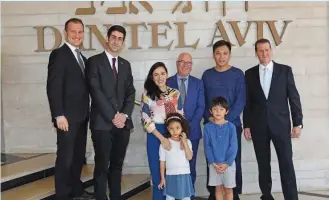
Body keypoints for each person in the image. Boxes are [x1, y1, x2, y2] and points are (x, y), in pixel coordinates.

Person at [243, 38, 303, 200]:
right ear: (256, 53)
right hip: (258, 126)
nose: (264, 53)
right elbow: (247, 102)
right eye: (260, 51)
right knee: (263, 164)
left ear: (271, 50)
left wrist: (298, 123)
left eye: (267, 50)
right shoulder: (249, 74)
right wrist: (246, 125)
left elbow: (294, 98)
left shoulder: (285, 71)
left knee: (286, 164)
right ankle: (267, 195)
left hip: (281, 125)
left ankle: (291, 197)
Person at [86, 25, 136, 200]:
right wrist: (113, 116)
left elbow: (131, 92)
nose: (116, 41)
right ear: (107, 38)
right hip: (102, 124)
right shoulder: (94, 62)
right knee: (102, 166)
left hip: (122, 125)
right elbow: (95, 91)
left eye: (120, 38)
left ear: (123, 42)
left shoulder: (125, 64)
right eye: (113, 37)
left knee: (117, 166)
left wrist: (124, 115)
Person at [46, 18, 92, 200]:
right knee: (65, 158)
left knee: (78, 156)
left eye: (80, 32)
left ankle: (76, 190)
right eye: (73, 32)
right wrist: (58, 115)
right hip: (66, 118)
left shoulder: (83, 58)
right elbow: (53, 86)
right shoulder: (59, 54)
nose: (77, 35)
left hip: (82, 116)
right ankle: (63, 195)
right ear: (66, 32)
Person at [202, 40, 245, 200]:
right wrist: (211, 119)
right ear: (213, 55)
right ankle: (214, 193)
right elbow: (204, 100)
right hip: (211, 126)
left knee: (233, 159)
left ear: (229, 55)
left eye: (225, 53)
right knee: (212, 158)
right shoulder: (207, 75)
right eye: (218, 53)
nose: (221, 57)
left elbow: (240, 101)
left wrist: (225, 119)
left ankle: (233, 194)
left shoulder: (238, 74)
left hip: (231, 125)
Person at [141, 62, 183, 200]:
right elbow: (145, 118)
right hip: (155, 136)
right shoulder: (148, 94)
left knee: (173, 173)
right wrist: (161, 138)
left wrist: (181, 137)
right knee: (158, 175)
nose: (160, 77)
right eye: (156, 74)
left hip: (173, 135)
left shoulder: (176, 93)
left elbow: (181, 116)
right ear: (152, 77)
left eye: (163, 73)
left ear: (167, 74)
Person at [167, 52, 205, 196]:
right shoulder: (167, 82)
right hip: (171, 134)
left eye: (188, 63)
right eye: (182, 62)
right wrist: (174, 129)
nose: (185, 65)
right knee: (173, 167)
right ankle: (174, 195)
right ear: (177, 63)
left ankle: (189, 195)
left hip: (192, 132)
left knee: (190, 166)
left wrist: (188, 128)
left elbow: (201, 107)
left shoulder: (198, 83)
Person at [204, 97, 238, 200]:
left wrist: (227, 163)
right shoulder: (207, 127)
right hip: (214, 164)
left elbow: (233, 146)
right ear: (210, 111)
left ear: (226, 111)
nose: (218, 112)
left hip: (229, 164)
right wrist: (213, 162)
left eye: (221, 109)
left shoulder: (231, 127)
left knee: (228, 190)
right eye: (215, 109)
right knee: (218, 189)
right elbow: (207, 146)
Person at [158, 112, 195, 200]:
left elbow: (189, 157)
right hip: (170, 176)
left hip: (184, 175)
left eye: (177, 128)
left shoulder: (188, 142)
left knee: (186, 198)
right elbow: (162, 163)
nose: (175, 131)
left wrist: (185, 142)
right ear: (167, 129)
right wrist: (163, 179)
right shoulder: (165, 144)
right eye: (171, 128)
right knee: (170, 197)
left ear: (182, 127)